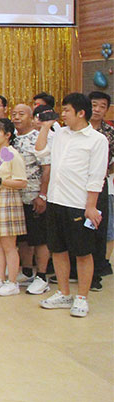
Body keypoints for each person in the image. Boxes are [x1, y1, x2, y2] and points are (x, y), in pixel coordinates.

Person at [35, 93, 107, 317]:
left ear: (81, 113)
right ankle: (64, 293)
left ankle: (82, 298)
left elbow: (96, 176)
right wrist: (45, 127)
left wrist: (91, 206)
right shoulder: (60, 134)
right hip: (56, 201)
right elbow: (40, 151)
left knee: (83, 253)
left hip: (78, 203)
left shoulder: (97, 140)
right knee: (58, 249)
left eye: (67, 110)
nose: (63, 114)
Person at [0, 118, 28, 296]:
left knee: (9, 245)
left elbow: (22, 182)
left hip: (8, 199)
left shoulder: (13, 155)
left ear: (8, 135)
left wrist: (1, 181)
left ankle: (12, 282)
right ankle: (0, 279)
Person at [10, 104, 53, 294]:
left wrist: (42, 195)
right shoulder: (11, 138)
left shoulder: (38, 138)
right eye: (14, 114)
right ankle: (26, 271)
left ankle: (42, 276)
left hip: (34, 195)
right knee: (23, 238)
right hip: (15, 197)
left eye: (21, 114)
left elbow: (47, 168)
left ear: (31, 117)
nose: (17, 117)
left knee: (40, 238)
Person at [87, 91, 113, 284]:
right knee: (76, 227)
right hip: (76, 185)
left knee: (97, 226)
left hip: (99, 184)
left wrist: (105, 171)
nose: (97, 109)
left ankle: (95, 272)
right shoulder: (76, 128)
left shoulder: (110, 132)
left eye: (102, 106)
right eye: (94, 105)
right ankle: (74, 270)